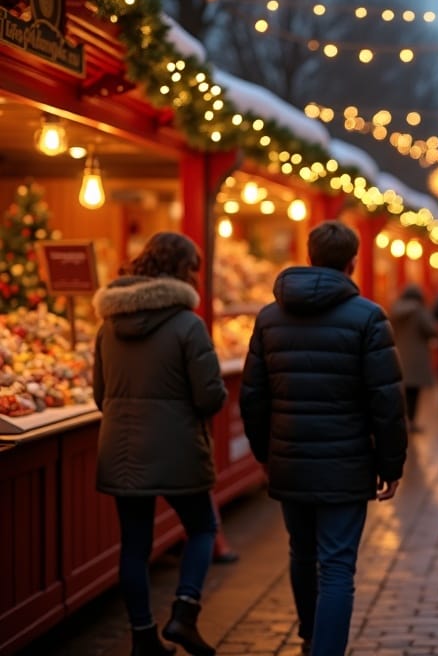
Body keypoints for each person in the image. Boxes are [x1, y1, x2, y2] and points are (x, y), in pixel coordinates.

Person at [239, 220, 407, 656]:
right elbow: (386, 401)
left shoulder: (270, 317)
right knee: (336, 566)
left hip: (290, 457)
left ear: (309, 255)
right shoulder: (368, 318)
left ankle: (310, 636)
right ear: (353, 262)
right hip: (346, 462)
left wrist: (263, 452)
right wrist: (391, 465)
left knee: (302, 552)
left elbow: (253, 394)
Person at [92, 231, 226, 656]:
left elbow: (100, 393)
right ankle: (184, 614)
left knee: (134, 544)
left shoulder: (108, 326)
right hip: (177, 446)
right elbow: (208, 395)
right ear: (185, 271)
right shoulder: (188, 324)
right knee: (202, 527)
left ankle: (143, 637)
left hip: (122, 448)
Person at [390, 283, 438, 433]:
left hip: (398, 354)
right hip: (417, 356)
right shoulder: (419, 310)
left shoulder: (395, 309)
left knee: (399, 391)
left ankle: (399, 420)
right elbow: (430, 329)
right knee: (414, 392)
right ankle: (411, 421)